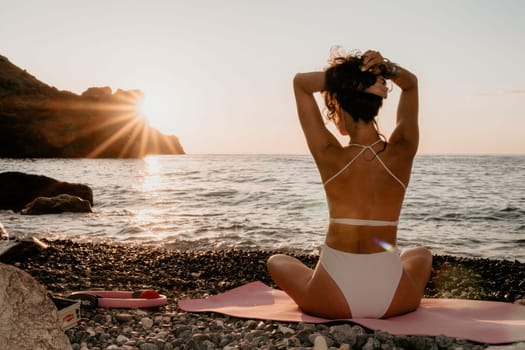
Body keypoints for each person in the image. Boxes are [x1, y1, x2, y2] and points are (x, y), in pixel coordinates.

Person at [267, 48, 432, 319]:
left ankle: (324, 279)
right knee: (420, 254)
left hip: (330, 299)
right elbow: (411, 85)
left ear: (339, 107)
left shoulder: (329, 155)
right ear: (376, 105)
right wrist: (385, 69)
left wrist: (349, 79)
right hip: (393, 301)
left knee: (277, 261)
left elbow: (300, 83)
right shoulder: (401, 151)